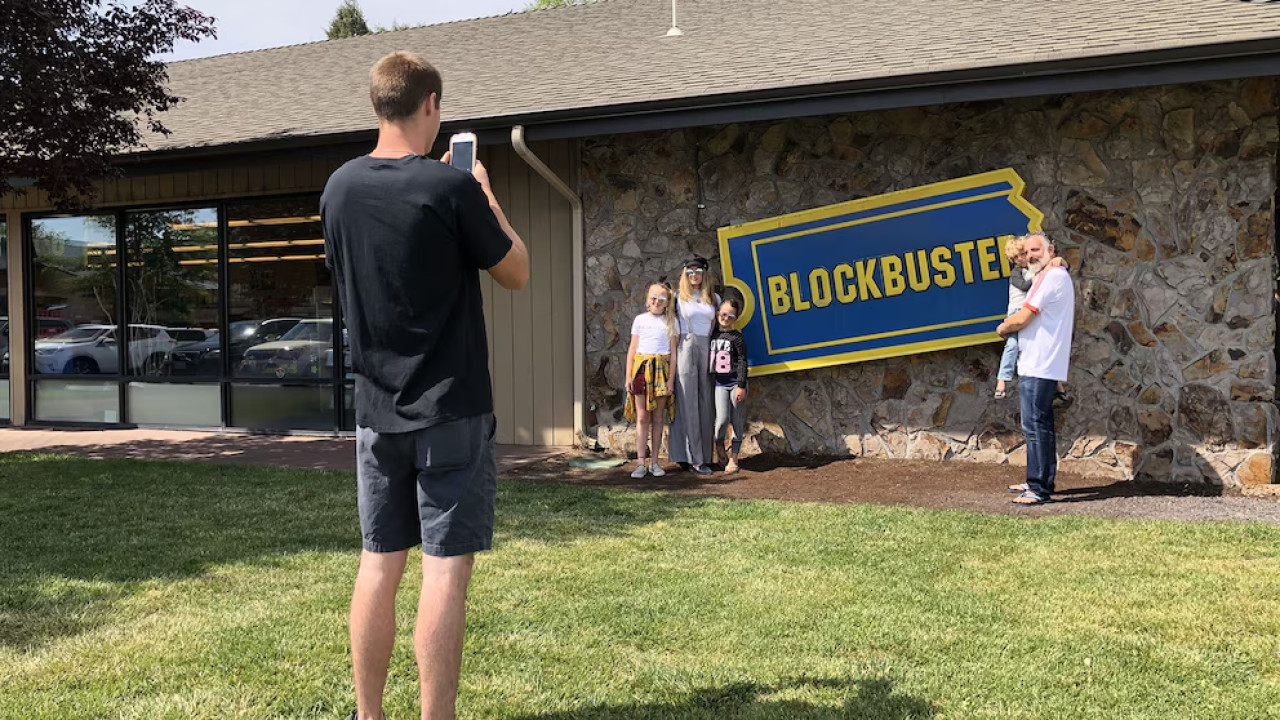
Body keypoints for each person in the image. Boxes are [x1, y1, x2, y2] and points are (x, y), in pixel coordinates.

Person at [321, 51, 529, 720]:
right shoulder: (452, 189)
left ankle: (368, 715)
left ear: (378, 103)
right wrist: (486, 194)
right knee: (444, 570)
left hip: (376, 411)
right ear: (431, 106)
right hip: (452, 409)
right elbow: (516, 271)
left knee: (379, 563)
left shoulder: (339, 190)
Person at [996, 233, 1074, 506]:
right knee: (1038, 426)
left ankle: (1039, 488)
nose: (1030, 256)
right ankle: (1037, 481)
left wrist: (1003, 327)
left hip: (1041, 362)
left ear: (1050, 250)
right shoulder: (1046, 275)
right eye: (1027, 252)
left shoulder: (1053, 277)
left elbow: (1025, 315)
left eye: (1036, 250)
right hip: (1038, 362)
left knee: (1035, 426)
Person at [994, 237, 1070, 400]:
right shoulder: (1017, 273)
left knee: (1043, 347)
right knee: (1012, 346)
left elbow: (1053, 266)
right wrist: (1037, 278)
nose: (1021, 259)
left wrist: (1059, 260)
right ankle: (1002, 381)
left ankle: (1057, 385)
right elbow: (1023, 285)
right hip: (1017, 312)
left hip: (1033, 310)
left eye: (1022, 254)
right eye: (1015, 258)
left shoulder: (1036, 267)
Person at [668, 257, 721, 475]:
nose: (694, 275)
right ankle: (689, 456)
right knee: (687, 400)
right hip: (686, 346)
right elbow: (670, 328)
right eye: (689, 272)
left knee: (706, 402)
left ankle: (705, 456)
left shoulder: (714, 298)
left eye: (698, 271)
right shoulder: (678, 298)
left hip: (707, 346)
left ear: (705, 273)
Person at [624, 282, 678, 478]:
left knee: (657, 418)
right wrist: (628, 376)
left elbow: (673, 355)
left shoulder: (671, 322)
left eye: (661, 299)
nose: (656, 302)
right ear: (647, 300)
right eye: (653, 298)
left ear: (667, 303)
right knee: (642, 417)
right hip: (642, 370)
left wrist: (671, 381)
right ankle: (641, 463)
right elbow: (632, 349)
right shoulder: (640, 320)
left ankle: (655, 462)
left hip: (662, 372)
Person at [709, 298, 748, 474]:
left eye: (730, 316)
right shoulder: (713, 335)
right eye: (723, 314)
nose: (726, 318)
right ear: (718, 314)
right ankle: (719, 444)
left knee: (737, 422)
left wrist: (741, 385)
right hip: (720, 384)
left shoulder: (737, 337)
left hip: (735, 383)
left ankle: (734, 458)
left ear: (735, 318)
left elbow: (742, 361)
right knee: (722, 420)